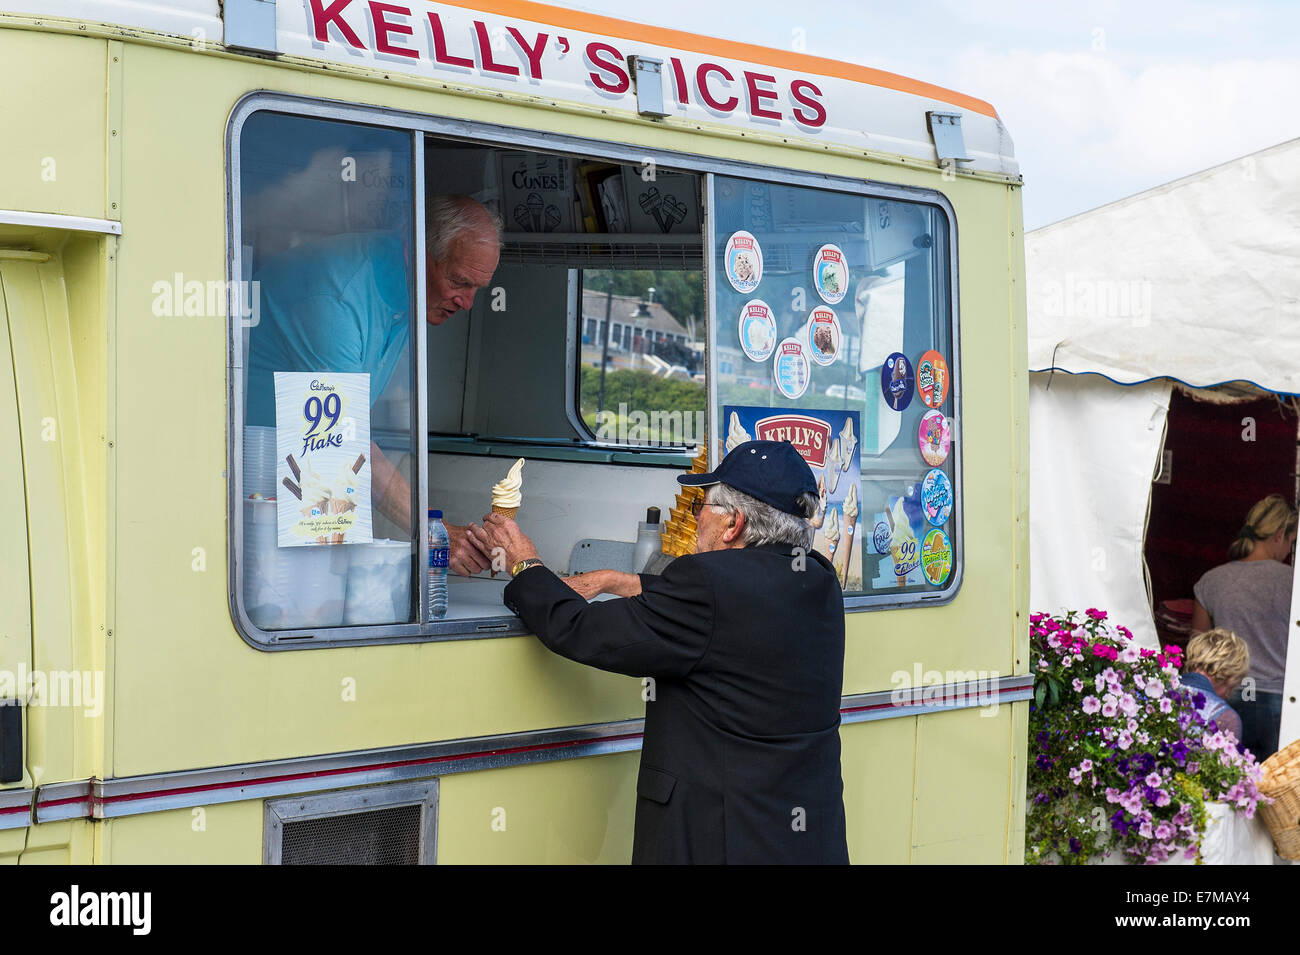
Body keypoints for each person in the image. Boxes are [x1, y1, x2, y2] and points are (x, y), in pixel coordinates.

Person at [469, 440, 850, 864]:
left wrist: (526, 565)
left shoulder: (709, 587)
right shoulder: (818, 578)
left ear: (733, 525)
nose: (696, 516)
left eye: (700, 507)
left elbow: (580, 630)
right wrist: (621, 580)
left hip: (721, 839)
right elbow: (732, 615)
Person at [246, 195, 500, 574]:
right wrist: (435, 534)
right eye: (459, 281)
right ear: (416, 252)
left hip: (296, 474)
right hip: (247, 476)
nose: (467, 303)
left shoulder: (408, 290)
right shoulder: (338, 296)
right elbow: (341, 443)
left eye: (478, 287)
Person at [1191, 493, 1298, 759]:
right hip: (1279, 700)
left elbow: (1197, 644)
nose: (1289, 551)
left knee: (1224, 782)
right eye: (1291, 542)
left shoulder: (1212, 580)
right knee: (1270, 789)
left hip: (1228, 696)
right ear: (1280, 534)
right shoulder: (1293, 583)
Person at [1180, 629, 1251, 748]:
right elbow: (1228, 765)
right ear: (1230, 677)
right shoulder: (1226, 717)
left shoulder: (1161, 689)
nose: (1228, 694)